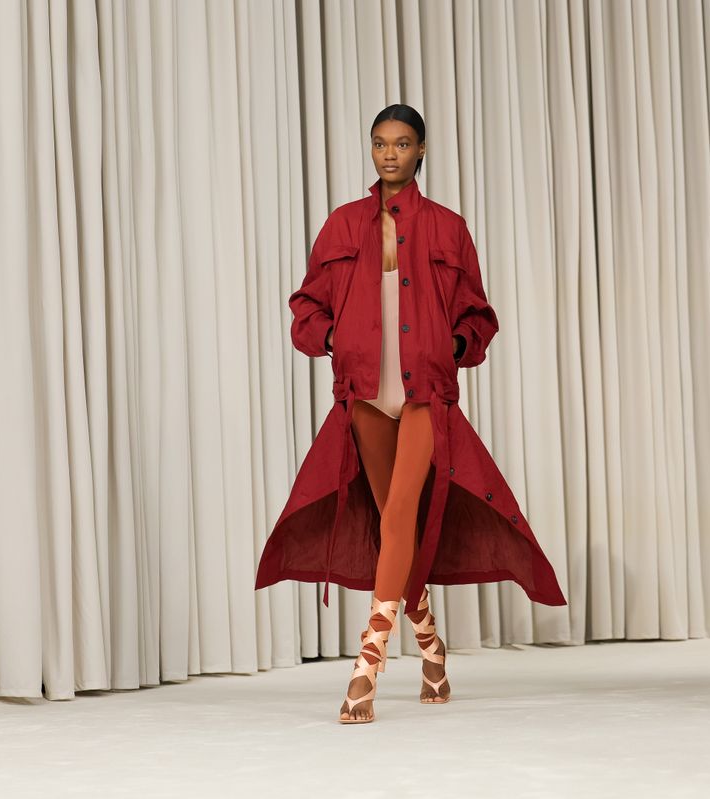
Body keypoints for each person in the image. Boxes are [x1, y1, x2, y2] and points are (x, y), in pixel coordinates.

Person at [254, 104, 567, 725]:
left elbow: (478, 315)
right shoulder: (343, 224)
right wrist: (331, 341)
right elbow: (306, 303)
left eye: (401, 144)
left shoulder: (448, 228)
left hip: (426, 392)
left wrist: (452, 347)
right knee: (393, 522)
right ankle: (429, 647)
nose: (389, 154)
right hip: (365, 393)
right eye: (379, 144)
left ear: (421, 150)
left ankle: (365, 667)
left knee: (399, 514)